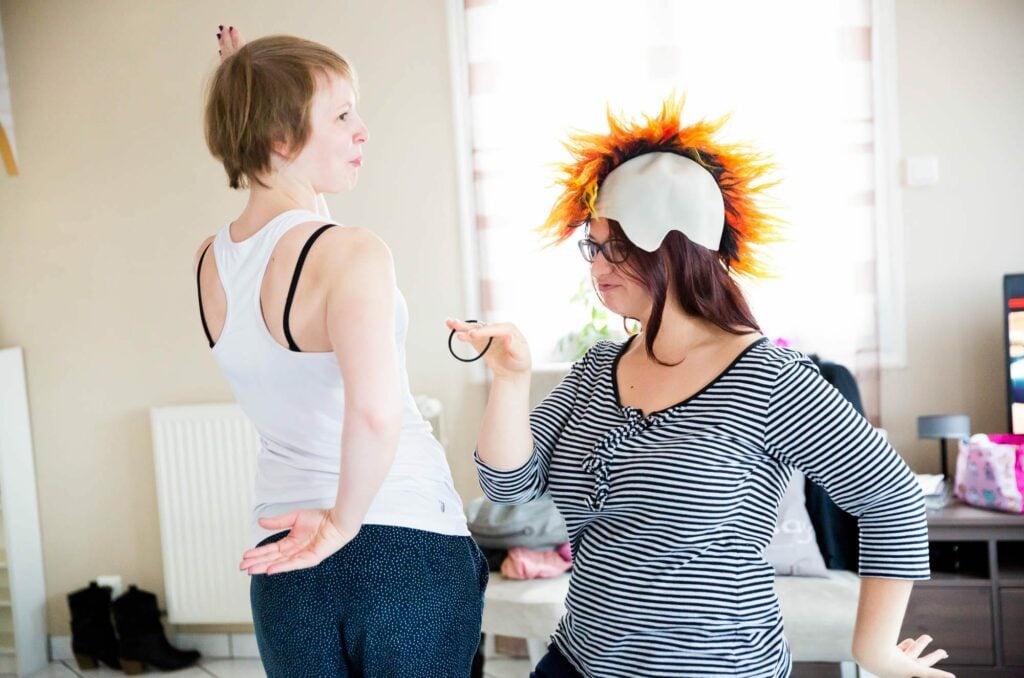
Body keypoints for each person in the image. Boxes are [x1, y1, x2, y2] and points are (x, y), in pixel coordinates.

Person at [448, 97, 953, 678]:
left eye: (612, 247)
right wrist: (510, 380)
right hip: (578, 662)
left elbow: (892, 499)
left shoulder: (769, 378)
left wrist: (875, 650)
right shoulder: (596, 368)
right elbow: (509, 483)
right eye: (593, 247)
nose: (596, 266)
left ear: (671, 247)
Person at [197, 28, 486, 677]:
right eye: (341, 113)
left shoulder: (208, 266)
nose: (362, 130)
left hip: (285, 560)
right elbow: (376, 415)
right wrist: (342, 522)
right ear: (280, 136)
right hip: (402, 544)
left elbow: (289, 224)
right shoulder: (354, 252)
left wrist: (251, 83)